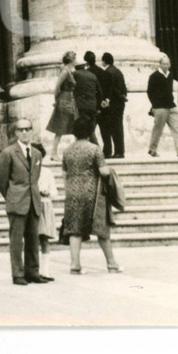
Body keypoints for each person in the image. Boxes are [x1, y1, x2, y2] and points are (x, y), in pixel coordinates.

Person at [0, 118, 51, 285]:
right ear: (16, 133)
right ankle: (18, 273)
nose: (25, 132)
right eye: (21, 130)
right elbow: (1, 179)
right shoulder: (8, 153)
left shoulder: (37, 153)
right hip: (17, 202)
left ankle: (32, 272)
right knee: (17, 240)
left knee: (34, 239)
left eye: (27, 129)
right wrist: (12, 195)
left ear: (32, 131)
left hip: (34, 202)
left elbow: (35, 177)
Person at [61, 117, 119, 274]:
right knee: (102, 229)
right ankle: (112, 264)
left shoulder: (67, 151)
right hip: (92, 194)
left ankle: (75, 265)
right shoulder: (95, 149)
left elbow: (64, 174)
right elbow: (103, 171)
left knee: (75, 229)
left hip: (73, 193)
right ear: (89, 132)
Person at [147, 54, 178, 157]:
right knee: (158, 129)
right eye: (164, 64)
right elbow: (150, 92)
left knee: (177, 128)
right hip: (160, 107)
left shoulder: (170, 75)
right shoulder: (154, 76)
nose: (166, 66)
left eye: (167, 64)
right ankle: (152, 149)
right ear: (160, 64)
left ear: (169, 65)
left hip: (171, 106)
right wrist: (155, 105)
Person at [31, 142, 58, 281]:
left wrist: (47, 192)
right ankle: (33, 270)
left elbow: (55, 193)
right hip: (32, 207)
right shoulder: (27, 172)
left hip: (45, 206)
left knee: (44, 239)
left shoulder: (47, 172)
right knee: (32, 239)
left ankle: (45, 270)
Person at [46, 51, 78, 160]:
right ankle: (54, 153)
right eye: (75, 59)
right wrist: (57, 100)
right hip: (65, 100)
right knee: (60, 127)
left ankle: (77, 151)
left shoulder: (69, 71)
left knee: (74, 126)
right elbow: (57, 87)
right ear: (71, 60)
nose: (76, 61)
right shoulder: (65, 71)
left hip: (70, 100)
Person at [99, 52, 127, 158]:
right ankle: (120, 151)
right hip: (120, 103)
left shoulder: (108, 72)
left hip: (113, 104)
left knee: (112, 128)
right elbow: (123, 87)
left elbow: (109, 89)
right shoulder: (118, 71)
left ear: (104, 61)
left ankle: (116, 152)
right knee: (118, 127)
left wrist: (106, 100)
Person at [71, 58, 102, 146]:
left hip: (81, 106)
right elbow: (99, 92)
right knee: (91, 128)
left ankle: (96, 147)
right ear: (84, 66)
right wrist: (98, 106)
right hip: (92, 106)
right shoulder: (92, 75)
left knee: (87, 128)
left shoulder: (75, 74)